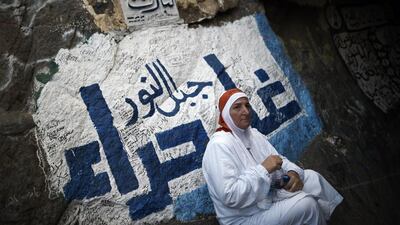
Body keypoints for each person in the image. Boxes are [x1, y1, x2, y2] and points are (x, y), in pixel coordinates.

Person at [202, 88, 343, 225]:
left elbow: (279, 160)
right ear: (226, 114)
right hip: (243, 217)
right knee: (307, 205)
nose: (245, 111)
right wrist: (263, 169)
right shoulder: (219, 145)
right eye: (237, 107)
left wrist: (292, 173)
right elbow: (230, 195)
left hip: (265, 200)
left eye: (247, 105)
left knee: (312, 178)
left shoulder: (254, 135)